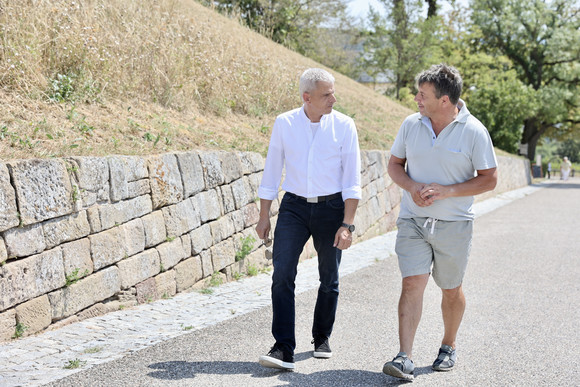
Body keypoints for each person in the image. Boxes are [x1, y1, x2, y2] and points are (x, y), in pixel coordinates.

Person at [383, 64, 498, 381]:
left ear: (444, 100)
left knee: (451, 290)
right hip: (414, 221)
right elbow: (395, 165)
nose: (417, 98)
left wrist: (449, 191)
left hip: (454, 226)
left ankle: (448, 345)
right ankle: (404, 356)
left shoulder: (474, 131)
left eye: (423, 94)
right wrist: (411, 187)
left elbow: (489, 179)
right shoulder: (411, 124)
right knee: (412, 283)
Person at [255, 68, 361, 371]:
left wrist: (347, 224)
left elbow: (352, 179)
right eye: (327, 94)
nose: (334, 99)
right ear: (307, 97)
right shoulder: (285, 123)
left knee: (329, 277)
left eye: (333, 92)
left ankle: (322, 336)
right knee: (282, 273)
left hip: (332, 209)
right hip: (293, 208)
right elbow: (272, 171)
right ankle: (283, 348)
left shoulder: (344, 126)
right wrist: (264, 214)